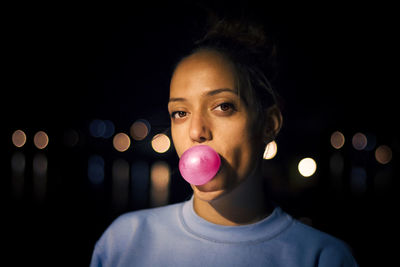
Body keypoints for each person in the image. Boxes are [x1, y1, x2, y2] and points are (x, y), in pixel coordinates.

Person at [90, 16, 358, 267]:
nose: (196, 131)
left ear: (269, 124)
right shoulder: (124, 242)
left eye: (223, 107)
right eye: (180, 113)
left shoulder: (323, 258)